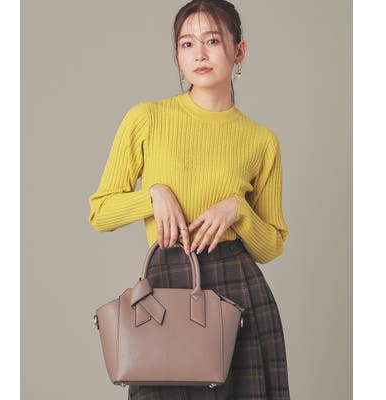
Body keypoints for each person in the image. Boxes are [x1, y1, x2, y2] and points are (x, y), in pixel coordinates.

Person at [88, 1, 291, 399]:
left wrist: (239, 211)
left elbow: (271, 246)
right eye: (186, 44)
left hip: (239, 288)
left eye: (212, 41)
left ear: (239, 51)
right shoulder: (146, 118)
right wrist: (153, 196)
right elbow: (100, 212)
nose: (199, 54)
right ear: (177, 56)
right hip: (168, 284)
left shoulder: (261, 140)